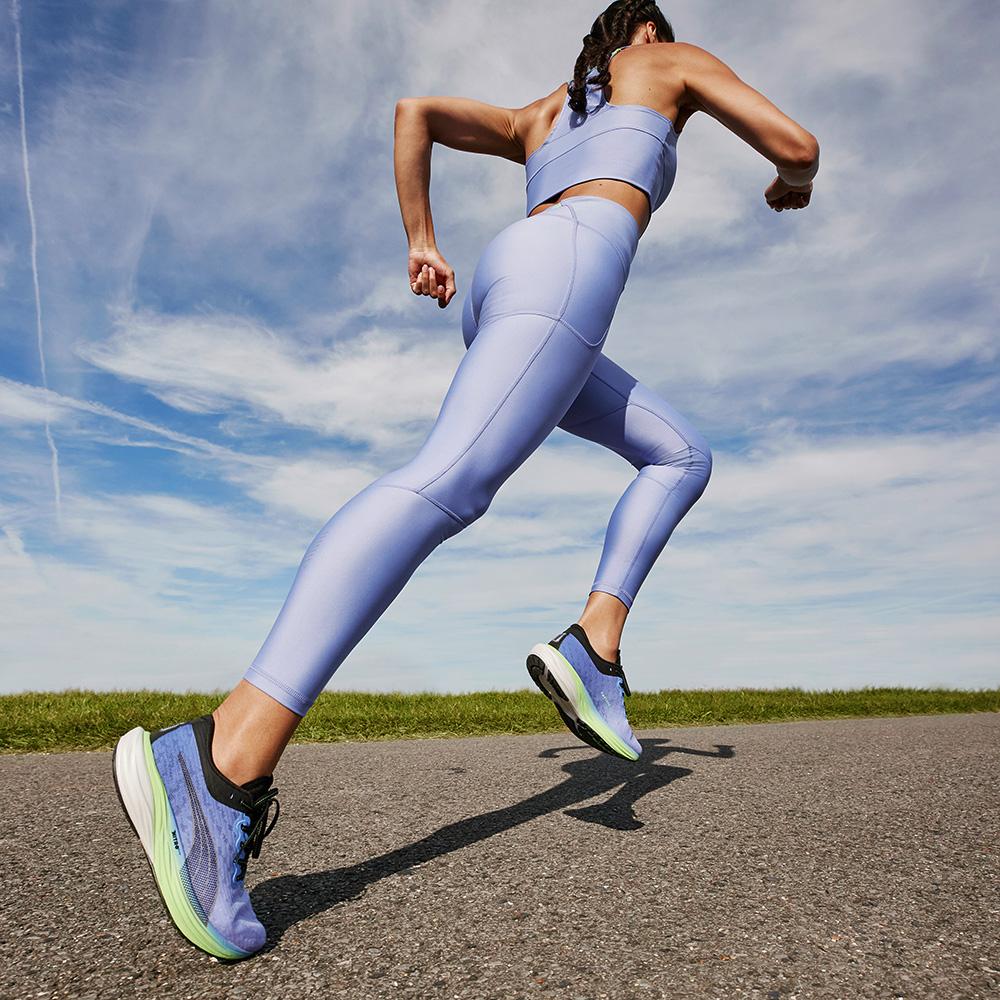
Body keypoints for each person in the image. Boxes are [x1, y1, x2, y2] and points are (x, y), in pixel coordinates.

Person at [112, 0, 819, 960]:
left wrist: (422, 239)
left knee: (680, 454)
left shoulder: (544, 112)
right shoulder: (669, 62)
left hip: (508, 280)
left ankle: (595, 649)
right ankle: (221, 761)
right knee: (446, 485)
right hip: (571, 273)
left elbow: (416, 113)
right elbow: (797, 141)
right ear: (645, 33)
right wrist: (790, 181)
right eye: (662, 28)